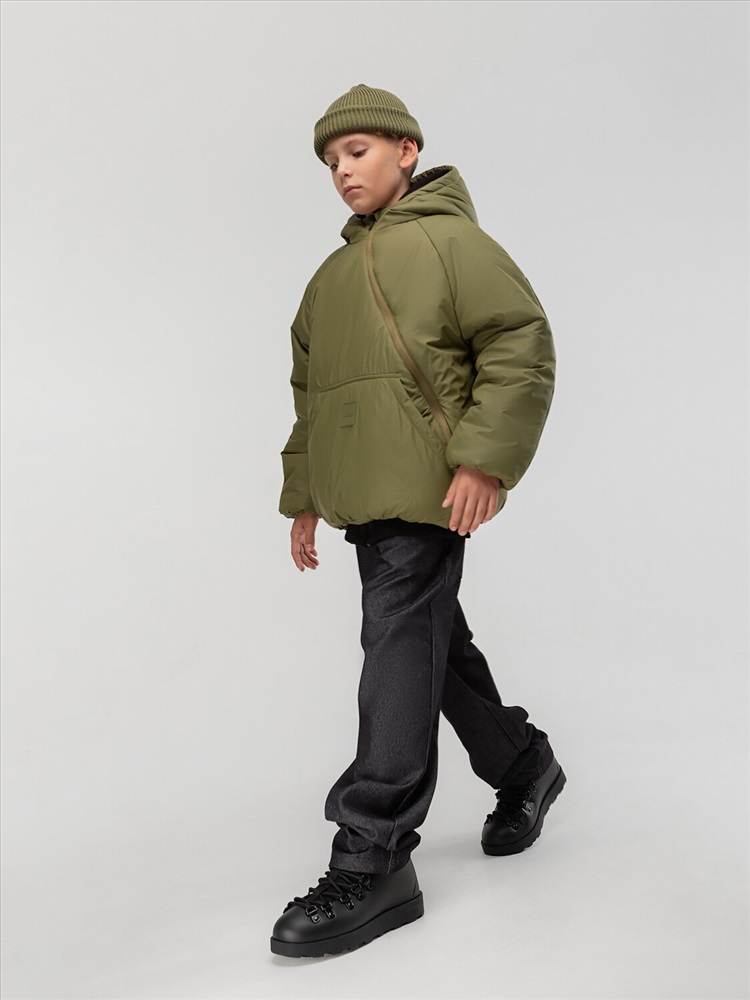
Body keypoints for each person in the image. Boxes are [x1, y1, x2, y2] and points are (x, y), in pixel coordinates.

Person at [270, 84, 565, 959]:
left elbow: (519, 340)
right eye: (331, 161)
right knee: (427, 641)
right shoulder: (326, 282)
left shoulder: (451, 242)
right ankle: (523, 764)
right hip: (364, 494)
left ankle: (373, 854)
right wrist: (304, 495)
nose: (342, 171)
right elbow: (311, 398)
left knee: (398, 640)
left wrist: (484, 458)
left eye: (356, 150)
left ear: (406, 150)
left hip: (431, 488)